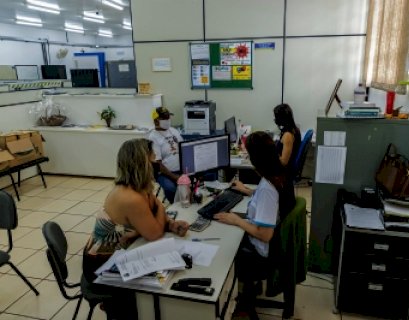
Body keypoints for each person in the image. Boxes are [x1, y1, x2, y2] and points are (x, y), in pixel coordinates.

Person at [82, 138, 189, 320]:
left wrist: (170, 224)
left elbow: (153, 216)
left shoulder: (140, 188)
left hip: (123, 249)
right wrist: (163, 209)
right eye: (152, 157)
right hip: (101, 263)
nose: (156, 162)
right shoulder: (130, 197)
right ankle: (118, 307)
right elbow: (154, 233)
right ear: (141, 163)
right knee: (161, 284)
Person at [214, 131, 295, 319]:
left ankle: (237, 301)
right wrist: (247, 191)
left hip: (262, 254)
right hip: (275, 247)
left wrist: (236, 220)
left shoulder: (268, 187)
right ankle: (249, 291)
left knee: (224, 241)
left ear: (255, 157)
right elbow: (270, 201)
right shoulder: (279, 172)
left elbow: (264, 234)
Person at [148, 106, 183, 203]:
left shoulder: (174, 131)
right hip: (165, 173)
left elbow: (183, 148)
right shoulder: (153, 137)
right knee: (172, 188)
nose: (167, 120)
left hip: (182, 169)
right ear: (155, 121)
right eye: (164, 118)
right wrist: (174, 177)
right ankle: (174, 205)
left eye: (168, 117)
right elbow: (157, 164)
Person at [273, 103, 302, 180]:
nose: (275, 119)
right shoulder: (294, 129)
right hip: (284, 170)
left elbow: (284, 162)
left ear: (281, 118)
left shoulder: (288, 135)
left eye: (276, 117)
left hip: (283, 172)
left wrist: (271, 156)